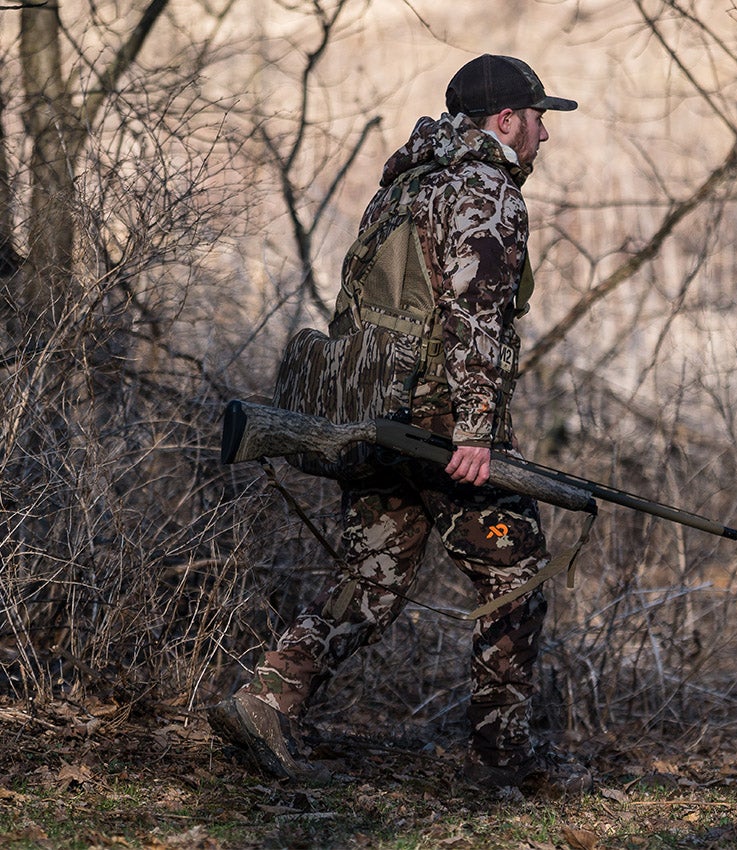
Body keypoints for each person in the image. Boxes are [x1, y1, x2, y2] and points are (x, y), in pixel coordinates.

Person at [209, 54, 591, 795]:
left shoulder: (405, 185)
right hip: (440, 428)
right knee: (516, 577)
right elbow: (477, 317)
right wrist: (476, 431)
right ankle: (500, 763)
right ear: (508, 120)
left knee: (374, 579)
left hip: (375, 414)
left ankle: (266, 698)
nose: (547, 135)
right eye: (541, 118)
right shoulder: (486, 192)